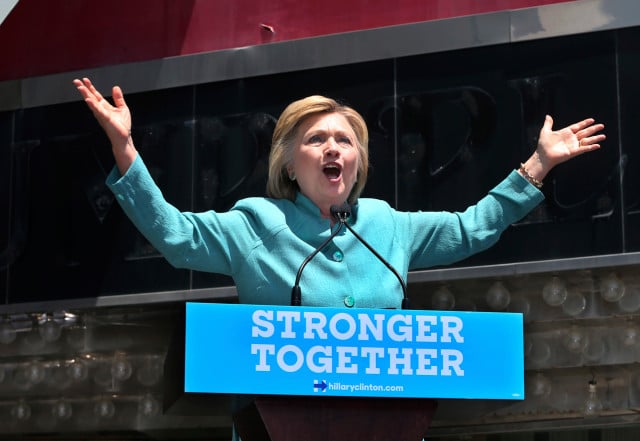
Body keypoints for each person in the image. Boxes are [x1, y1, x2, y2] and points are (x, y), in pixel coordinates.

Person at [73, 77, 605, 309]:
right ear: (287, 160)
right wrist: (125, 148)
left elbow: (469, 228)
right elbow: (176, 236)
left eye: (345, 140)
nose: (334, 149)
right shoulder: (256, 223)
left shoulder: (386, 226)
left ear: (358, 162)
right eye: (317, 139)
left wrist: (539, 163)